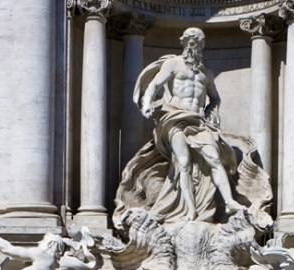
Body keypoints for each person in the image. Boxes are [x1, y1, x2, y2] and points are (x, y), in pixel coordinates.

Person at [115, 27, 272, 227]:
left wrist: (211, 113)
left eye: (198, 42)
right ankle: (189, 209)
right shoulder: (173, 64)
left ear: (202, 46)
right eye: (190, 41)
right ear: (184, 43)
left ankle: (230, 202)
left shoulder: (206, 73)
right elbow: (154, 85)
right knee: (184, 162)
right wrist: (147, 105)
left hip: (198, 122)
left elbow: (215, 98)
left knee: (215, 158)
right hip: (174, 118)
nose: (194, 46)